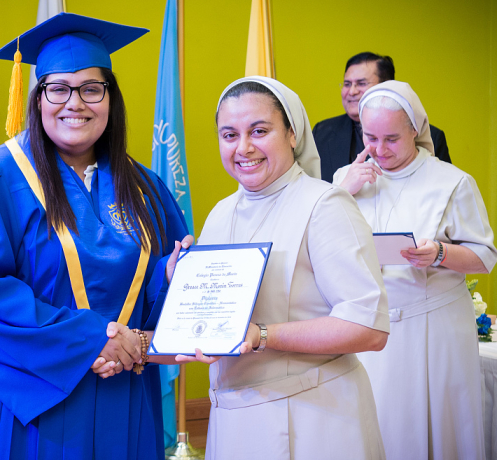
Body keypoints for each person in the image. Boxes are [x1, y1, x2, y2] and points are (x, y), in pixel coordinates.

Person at [0, 13, 190, 459]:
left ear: (111, 97)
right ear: (38, 97)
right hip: (23, 393)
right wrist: (92, 339)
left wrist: (170, 276)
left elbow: (144, 290)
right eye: (58, 88)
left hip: (117, 386)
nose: (74, 103)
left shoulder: (143, 188)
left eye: (91, 89)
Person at [177, 76, 390, 459]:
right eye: (229, 135)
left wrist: (263, 335)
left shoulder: (325, 205)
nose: (243, 147)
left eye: (259, 131)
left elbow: (369, 328)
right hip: (233, 421)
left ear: (293, 133)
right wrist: (182, 283)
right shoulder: (220, 213)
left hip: (314, 418)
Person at [334, 80, 496, 460]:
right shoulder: (347, 178)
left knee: (435, 430)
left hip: (433, 330)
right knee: (376, 427)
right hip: (369, 329)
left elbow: (485, 256)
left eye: (391, 138)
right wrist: (341, 191)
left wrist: (439, 253)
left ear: (415, 130)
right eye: (370, 137)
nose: (379, 150)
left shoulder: (452, 182)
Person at [313, 52, 451, 182]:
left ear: (387, 86)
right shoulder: (322, 131)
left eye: (361, 83)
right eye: (347, 84)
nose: (352, 91)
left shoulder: (432, 135)